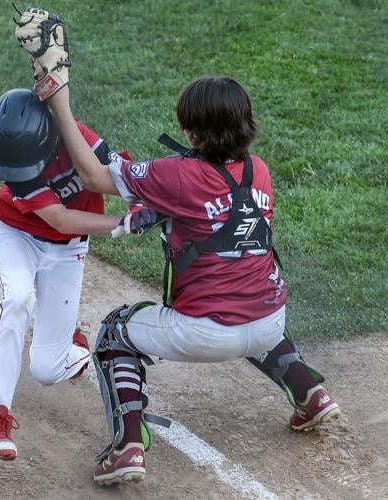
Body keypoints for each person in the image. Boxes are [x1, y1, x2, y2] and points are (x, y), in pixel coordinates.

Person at [44, 77, 341, 485]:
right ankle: (309, 392)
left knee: (115, 332)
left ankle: (127, 446)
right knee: (252, 296)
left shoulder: (177, 175)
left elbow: (95, 177)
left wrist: (61, 108)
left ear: (192, 131)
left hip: (206, 333)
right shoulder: (259, 170)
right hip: (270, 323)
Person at [0, 87, 156, 461]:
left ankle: (71, 340)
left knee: (46, 369)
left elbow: (121, 176)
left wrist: (143, 203)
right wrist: (122, 224)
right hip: (19, 239)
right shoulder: (18, 173)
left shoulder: (77, 137)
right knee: (17, 297)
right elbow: (60, 218)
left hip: (67, 251)